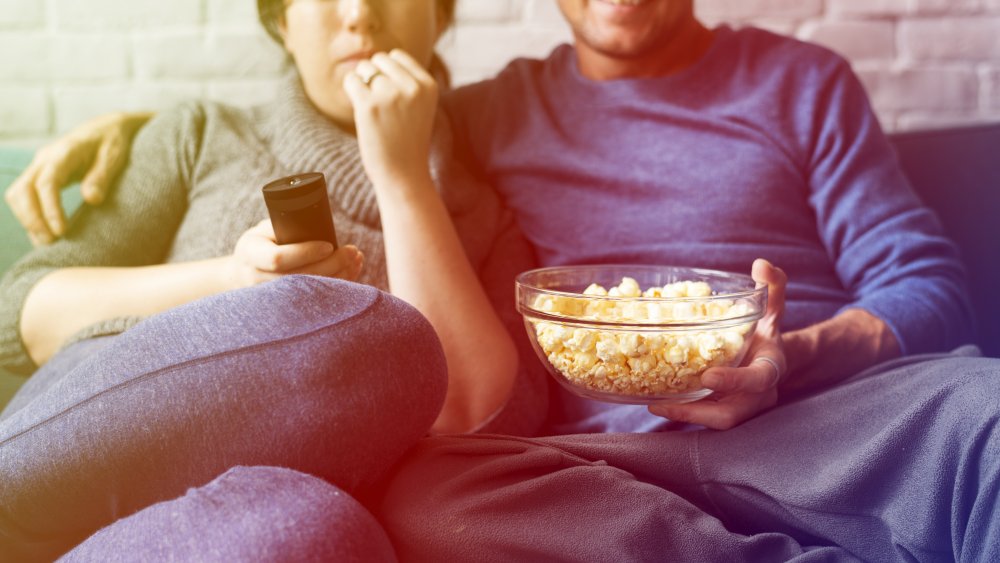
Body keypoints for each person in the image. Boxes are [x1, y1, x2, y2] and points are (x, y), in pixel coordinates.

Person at [9, 0, 999, 561]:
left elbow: (926, 281)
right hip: (600, 460)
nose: (357, 17)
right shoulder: (490, 115)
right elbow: (345, 118)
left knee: (985, 409)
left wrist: (794, 356)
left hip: (823, 415)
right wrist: (131, 134)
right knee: (431, 490)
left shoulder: (798, 81)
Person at [0, 0, 548, 560]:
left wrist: (404, 178)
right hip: (76, 446)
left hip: (195, 527)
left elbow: (477, 426)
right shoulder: (201, 135)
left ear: (440, 15)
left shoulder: (485, 218)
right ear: (281, 22)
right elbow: (20, 315)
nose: (359, 14)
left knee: (319, 528)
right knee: (375, 339)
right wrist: (231, 281)